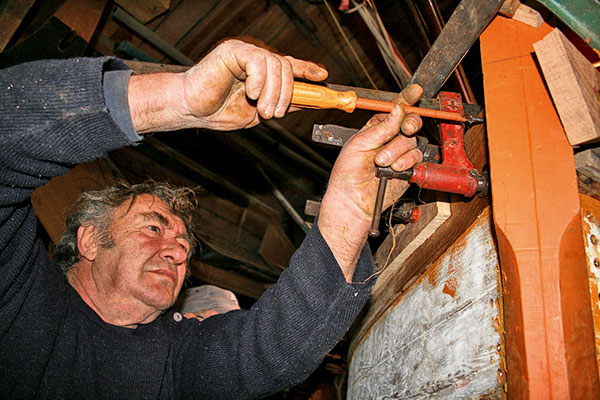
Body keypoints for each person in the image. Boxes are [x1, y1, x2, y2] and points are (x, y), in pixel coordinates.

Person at [0, 39, 423, 398]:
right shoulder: (20, 298)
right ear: (90, 240)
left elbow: (271, 349)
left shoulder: (177, 357)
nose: (180, 249)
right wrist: (179, 101)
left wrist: (349, 208)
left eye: (184, 243)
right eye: (153, 227)